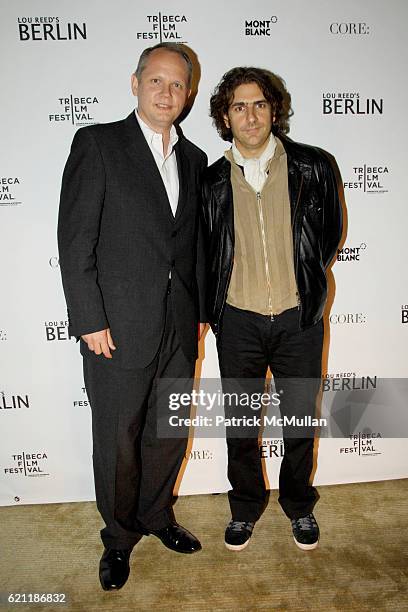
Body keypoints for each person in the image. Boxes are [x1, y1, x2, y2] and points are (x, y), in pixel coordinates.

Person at [57, 42, 207, 590]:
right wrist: (89, 317)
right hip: (114, 327)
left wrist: (198, 313)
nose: (166, 93)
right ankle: (119, 539)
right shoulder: (98, 144)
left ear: (188, 93)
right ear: (135, 82)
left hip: (178, 325)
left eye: (177, 85)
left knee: (167, 432)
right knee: (118, 439)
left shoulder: (193, 160)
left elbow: (191, 245)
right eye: (156, 81)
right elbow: (76, 241)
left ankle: (156, 515)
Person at [202, 67, 342, 552]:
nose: (250, 115)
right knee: (241, 426)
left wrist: (300, 283)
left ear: (274, 109)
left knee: (301, 419)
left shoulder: (313, 165)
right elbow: (206, 251)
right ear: (225, 116)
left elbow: (329, 235)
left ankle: (300, 506)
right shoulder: (211, 181)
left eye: (258, 103)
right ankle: (244, 508)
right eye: (238, 106)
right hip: (238, 318)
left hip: (297, 317)